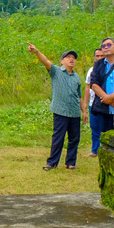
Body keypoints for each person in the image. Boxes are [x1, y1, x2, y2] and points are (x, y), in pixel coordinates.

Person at [27, 42, 83, 170]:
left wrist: (84, 111)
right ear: (62, 61)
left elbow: (79, 96)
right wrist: (36, 51)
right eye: (68, 57)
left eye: (73, 58)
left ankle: (70, 163)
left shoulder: (76, 77)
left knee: (74, 139)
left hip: (74, 112)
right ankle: (52, 163)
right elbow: (45, 61)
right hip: (60, 111)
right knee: (58, 137)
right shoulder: (56, 71)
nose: (72, 60)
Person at [89, 37, 114, 135]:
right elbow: (93, 83)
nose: (106, 47)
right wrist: (106, 98)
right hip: (103, 106)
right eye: (103, 46)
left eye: (109, 45)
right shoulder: (99, 64)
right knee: (104, 135)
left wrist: (112, 97)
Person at [81, 47, 105, 157]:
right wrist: (85, 105)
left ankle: (105, 150)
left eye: (101, 56)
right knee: (94, 128)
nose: (99, 58)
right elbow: (88, 88)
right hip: (93, 104)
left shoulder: (109, 69)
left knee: (105, 128)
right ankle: (95, 151)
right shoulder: (91, 70)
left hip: (106, 103)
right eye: (97, 56)